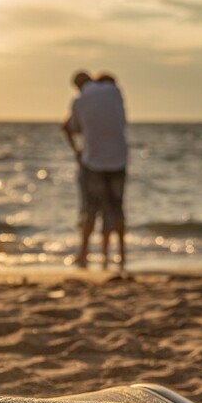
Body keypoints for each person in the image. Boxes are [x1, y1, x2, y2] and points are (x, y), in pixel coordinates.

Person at [62, 69, 128, 270]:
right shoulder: (116, 93)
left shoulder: (80, 101)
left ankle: (83, 255)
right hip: (119, 160)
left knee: (89, 210)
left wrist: (77, 151)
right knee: (116, 210)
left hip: (93, 163)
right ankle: (119, 255)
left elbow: (70, 127)